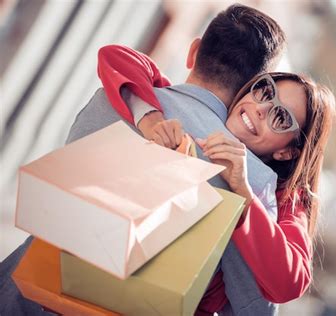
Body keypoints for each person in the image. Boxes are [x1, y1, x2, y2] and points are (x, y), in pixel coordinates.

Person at [0, 4, 286, 316]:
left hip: (23, 292)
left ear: (193, 52)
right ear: (256, 87)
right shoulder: (252, 179)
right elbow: (252, 307)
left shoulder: (120, 96)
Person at [96, 45, 336, 311]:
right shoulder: (192, 117)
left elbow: (290, 282)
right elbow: (115, 56)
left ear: (287, 151)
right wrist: (152, 120)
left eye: (281, 116)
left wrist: (243, 191)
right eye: (266, 92)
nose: (262, 109)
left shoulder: (285, 197)